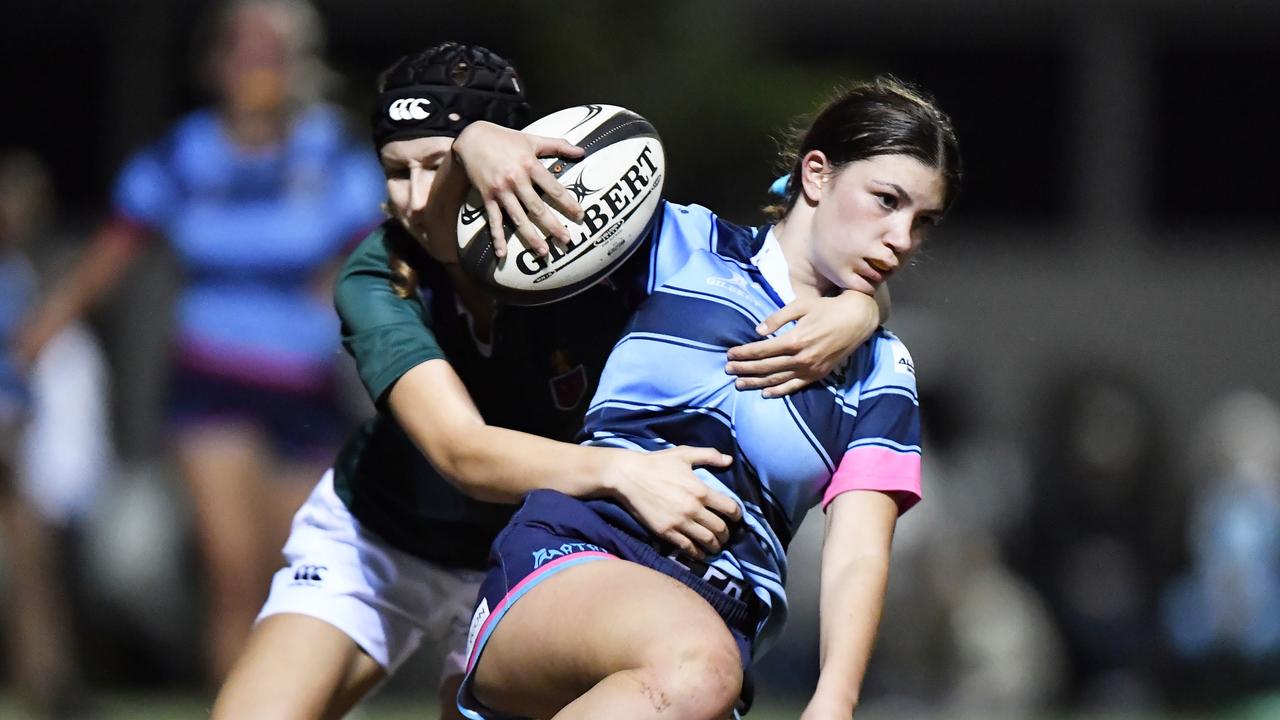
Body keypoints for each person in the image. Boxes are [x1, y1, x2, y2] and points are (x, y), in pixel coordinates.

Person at [211, 42, 891, 720]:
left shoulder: (590, 245)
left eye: (439, 167)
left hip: (538, 551)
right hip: (383, 535)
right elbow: (460, 452)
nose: (418, 200)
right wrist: (622, 473)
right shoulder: (382, 271)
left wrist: (862, 305)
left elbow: (761, 262)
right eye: (396, 171)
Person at [427, 75, 961, 720]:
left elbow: (857, 550)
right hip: (578, 551)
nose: (902, 239)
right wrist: (472, 146)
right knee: (698, 667)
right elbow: (454, 251)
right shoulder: (676, 245)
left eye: (922, 222)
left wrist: (835, 698)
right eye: (886, 201)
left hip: (720, 620)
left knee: (701, 669)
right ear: (816, 175)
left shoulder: (883, 370)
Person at [12, 0, 386, 681]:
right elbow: (113, 250)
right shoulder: (186, 152)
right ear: (216, 61)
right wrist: (43, 328)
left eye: (270, 47)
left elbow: (372, 256)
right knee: (234, 567)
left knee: (299, 574)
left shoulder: (328, 152)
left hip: (304, 382)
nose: (255, 60)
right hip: (211, 378)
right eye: (241, 46)